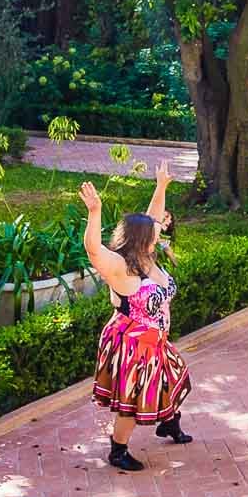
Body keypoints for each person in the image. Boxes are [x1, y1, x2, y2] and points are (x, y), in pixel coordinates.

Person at [82, 167, 193, 470]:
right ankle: (118, 451)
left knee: (173, 379)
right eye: (154, 234)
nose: (160, 232)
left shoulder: (148, 254)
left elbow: (152, 217)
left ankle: (168, 422)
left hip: (156, 340)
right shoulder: (121, 267)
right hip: (134, 346)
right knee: (133, 402)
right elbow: (93, 250)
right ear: (140, 239)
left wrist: (161, 186)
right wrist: (95, 212)